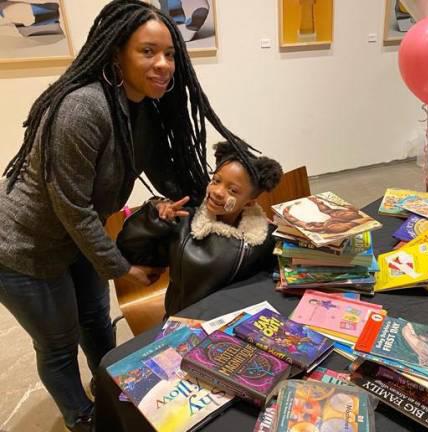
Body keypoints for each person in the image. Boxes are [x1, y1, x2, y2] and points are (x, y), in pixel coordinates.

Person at [0, 1, 257, 430]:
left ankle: (111, 394)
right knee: (59, 343)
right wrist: (121, 268)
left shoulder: (143, 110)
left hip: (76, 237)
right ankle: (82, 417)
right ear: (116, 53)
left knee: (97, 321)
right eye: (147, 52)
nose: (163, 65)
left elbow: (171, 177)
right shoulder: (82, 108)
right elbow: (73, 207)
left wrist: (224, 203)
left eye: (170, 54)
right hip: (24, 246)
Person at [117, 141, 283, 316]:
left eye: (233, 190)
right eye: (216, 180)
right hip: (185, 324)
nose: (218, 191)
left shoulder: (263, 238)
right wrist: (155, 219)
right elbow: (132, 252)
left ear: (249, 202)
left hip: (234, 326)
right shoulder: (184, 223)